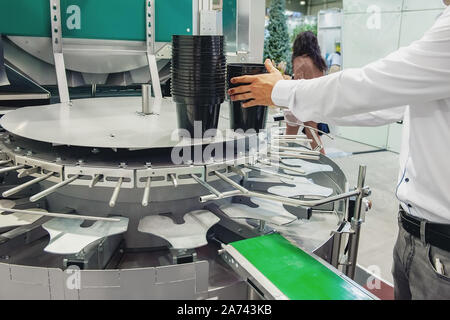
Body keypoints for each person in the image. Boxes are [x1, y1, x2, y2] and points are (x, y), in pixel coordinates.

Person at [228, 4, 450, 299]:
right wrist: (290, 97)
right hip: (413, 236)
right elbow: (383, 104)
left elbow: (373, 84)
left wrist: (283, 91)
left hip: (441, 250)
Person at [286, 31, 328, 154]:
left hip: (300, 101)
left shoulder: (299, 60)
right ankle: (324, 160)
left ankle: (284, 158)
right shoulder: (318, 61)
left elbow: (298, 84)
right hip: (315, 101)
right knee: (312, 134)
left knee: (291, 133)